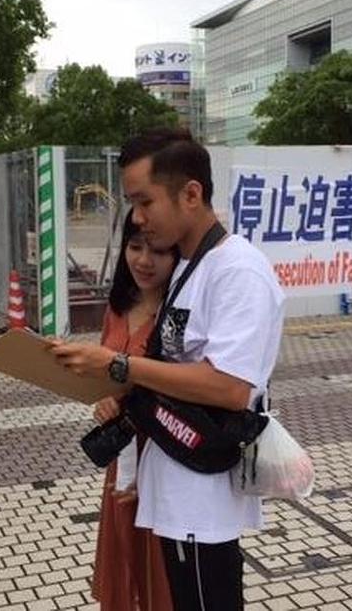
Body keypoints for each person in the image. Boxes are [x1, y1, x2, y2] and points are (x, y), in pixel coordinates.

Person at [51, 128, 285, 610]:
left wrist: (120, 366)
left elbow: (230, 387)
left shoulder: (237, 271)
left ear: (191, 194)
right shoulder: (189, 268)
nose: (137, 217)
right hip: (178, 487)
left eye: (145, 202)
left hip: (204, 493)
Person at [91, 210, 177, 611]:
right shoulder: (117, 306)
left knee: (158, 566)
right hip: (122, 456)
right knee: (123, 555)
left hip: (163, 456)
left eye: (157, 251)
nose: (143, 260)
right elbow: (103, 375)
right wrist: (102, 398)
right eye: (135, 246)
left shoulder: (178, 314)